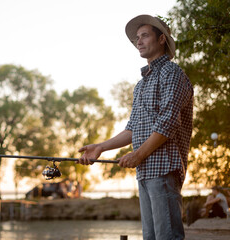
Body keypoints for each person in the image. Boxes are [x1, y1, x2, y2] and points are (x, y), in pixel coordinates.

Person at [78, 15, 193, 240]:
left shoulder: (172, 73)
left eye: (145, 36)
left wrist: (138, 154)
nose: (138, 41)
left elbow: (169, 121)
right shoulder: (140, 85)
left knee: (167, 237)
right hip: (145, 172)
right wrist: (100, 147)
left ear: (162, 39)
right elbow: (132, 129)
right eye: (136, 38)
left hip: (163, 169)